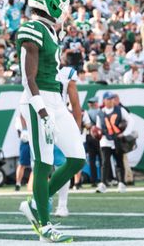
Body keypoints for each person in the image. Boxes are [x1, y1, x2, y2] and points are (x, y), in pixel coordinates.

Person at [17, 0, 85, 244]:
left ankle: (36, 204)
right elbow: (27, 78)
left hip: (55, 100)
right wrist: (42, 111)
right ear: (49, 2)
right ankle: (44, 227)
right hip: (39, 101)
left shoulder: (48, 29)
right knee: (43, 163)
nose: (64, 6)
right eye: (61, 1)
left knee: (77, 158)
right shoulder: (32, 28)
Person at [51, 64, 83, 218]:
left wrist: (76, 128)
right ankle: (43, 202)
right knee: (40, 164)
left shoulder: (65, 73)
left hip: (58, 119)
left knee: (61, 165)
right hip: (39, 118)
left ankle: (62, 205)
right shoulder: (33, 66)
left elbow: (75, 103)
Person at [96, 91, 130, 193]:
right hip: (105, 140)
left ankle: (121, 183)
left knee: (119, 162)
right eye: (109, 99)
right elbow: (98, 127)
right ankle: (103, 184)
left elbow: (130, 120)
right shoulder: (100, 112)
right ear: (104, 100)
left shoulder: (120, 110)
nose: (111, 101)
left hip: (117, 140)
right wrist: (97, 134)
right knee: (105, 163)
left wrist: (125, 133)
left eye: (112, 99)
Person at [82, 96, 101, 187]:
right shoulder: (99, 112)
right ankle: (102, 179)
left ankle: (94, 180)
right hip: (98, 137)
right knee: (102, 159)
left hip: (89, 137)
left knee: (92, 160)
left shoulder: (87, 112)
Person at [14, 112, 31, 192]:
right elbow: (19, 132)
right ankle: (18, 183)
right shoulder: (19, 118)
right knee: (22, 163)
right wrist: (25, 131)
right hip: (26, 139)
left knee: (40, 162)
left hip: (36, 138)